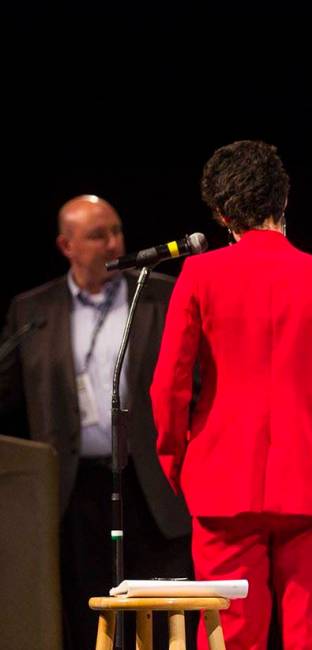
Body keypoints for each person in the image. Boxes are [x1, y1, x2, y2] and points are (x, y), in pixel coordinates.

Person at [150, 140, 312, 650]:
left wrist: (179, 462)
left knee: (229, 640)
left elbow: (169, 384)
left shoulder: (200, 276)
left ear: (221, 212)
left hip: (222, 481)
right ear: (284, 199)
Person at [0, 195, 192, 650]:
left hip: (150, 486)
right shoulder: (32, 311)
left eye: (116, 231)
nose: (112, 243)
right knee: (87, 616)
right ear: (66, 245)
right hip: (72, 492)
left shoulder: (161, 295)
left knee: (162, 620)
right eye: (96, 235)